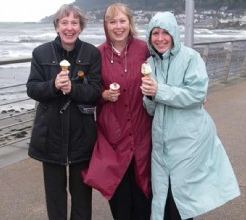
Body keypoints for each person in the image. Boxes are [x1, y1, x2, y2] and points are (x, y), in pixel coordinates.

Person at [141, 11, 240, 220]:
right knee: (163, 199)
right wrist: (149, 97)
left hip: (189, 140)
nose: (160, 38)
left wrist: (159, 91)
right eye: (155, 33)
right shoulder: (150, 64)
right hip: (161, 143)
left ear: (174, 34)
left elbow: (196, 94)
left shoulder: (190, 57)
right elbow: (151, 109)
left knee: (182, 200)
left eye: (165, 33)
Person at [26, 4, 102, 220]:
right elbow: (32, 88)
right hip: (49, 134)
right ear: (57, 26)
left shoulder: (91, 53)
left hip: (81, 135)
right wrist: (53, 86)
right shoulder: (40, 53)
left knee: (81, 195)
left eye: (74, 23)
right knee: (54, 195)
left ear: (81, 27)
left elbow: (95, 92)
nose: (69, 27)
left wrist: (73, 88)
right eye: (64, 22)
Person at [82, 3, 152, 220]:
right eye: (113, 21)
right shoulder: (96, 54)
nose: (118, 26)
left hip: (143, 135)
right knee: (120, 201)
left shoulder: (145, 49)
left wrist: (194, 93)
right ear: (106, 25)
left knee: (143, 198)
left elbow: (167, 74)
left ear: (130, 23)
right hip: (113, 137)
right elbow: (88, 91)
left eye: (122, 21)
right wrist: (103, 95)